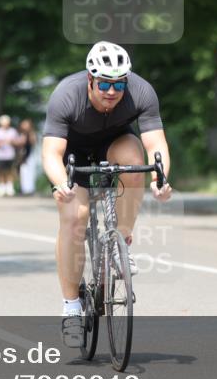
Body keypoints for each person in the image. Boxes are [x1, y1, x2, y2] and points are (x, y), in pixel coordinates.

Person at [42, 41, 173, 347]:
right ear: (90, 79)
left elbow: (156, 145)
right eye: (104, 83)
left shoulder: (142, 92)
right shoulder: (66, 94)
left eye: (118, 84)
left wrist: (161, 179)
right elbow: (51, 153)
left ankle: (120, 243)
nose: (112, 91)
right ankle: (71, 308)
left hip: (114, 145)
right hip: (72, 154)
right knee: (76, 218)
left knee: (134, 156)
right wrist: (63, 184)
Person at [0, 114, 20, 197]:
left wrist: (12, 141)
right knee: (1, 171)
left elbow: (18, 142)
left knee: (10, 171)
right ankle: (1, 187)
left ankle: (9, 187)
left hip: (10, 154)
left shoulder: (12, 131)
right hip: (0, 155)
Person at [15, 118, 38, 196]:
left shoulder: (32, 133)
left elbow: (33, 142)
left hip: (30, 154)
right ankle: (24, 189)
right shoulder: (21, 134)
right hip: (23, 155)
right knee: (23, 172)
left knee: (30, 172)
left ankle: (30, 189)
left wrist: (30, 133)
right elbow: (18, 143)